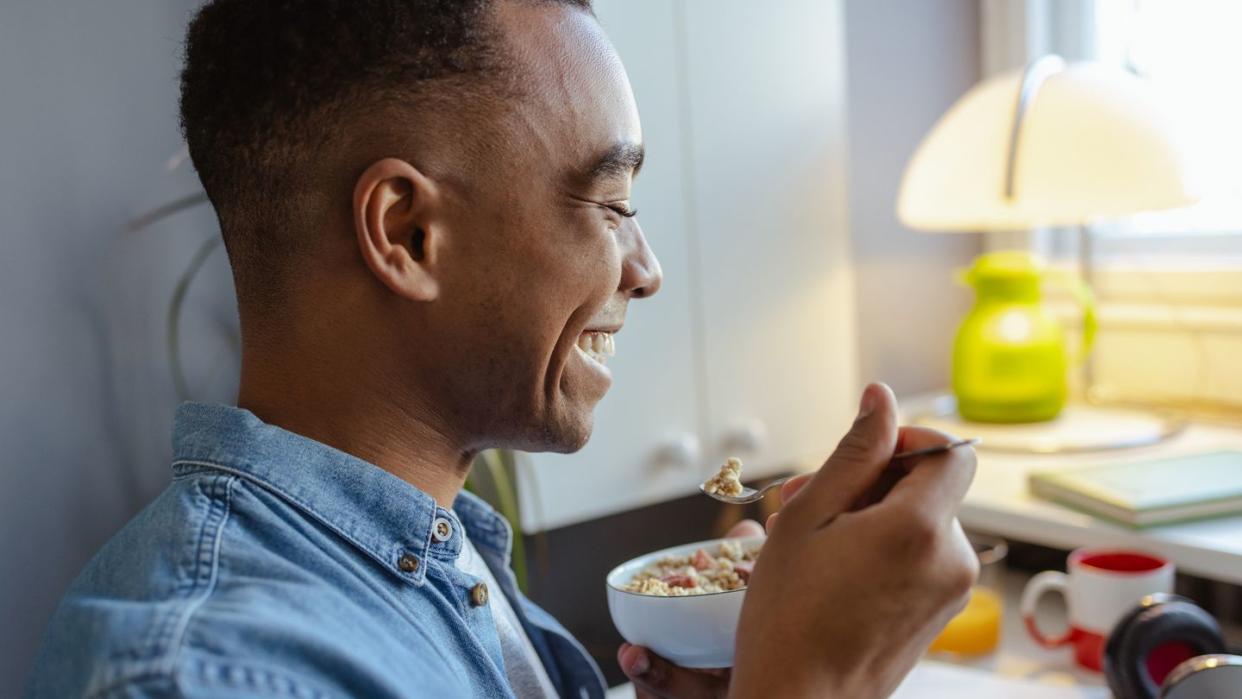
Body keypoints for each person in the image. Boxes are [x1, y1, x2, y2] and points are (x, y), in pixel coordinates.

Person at [26, 1, 979, 697]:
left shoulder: (446, 557)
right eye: (611, 204)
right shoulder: (203, 676)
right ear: (406, 235)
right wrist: (810, 684)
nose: (644, 269)